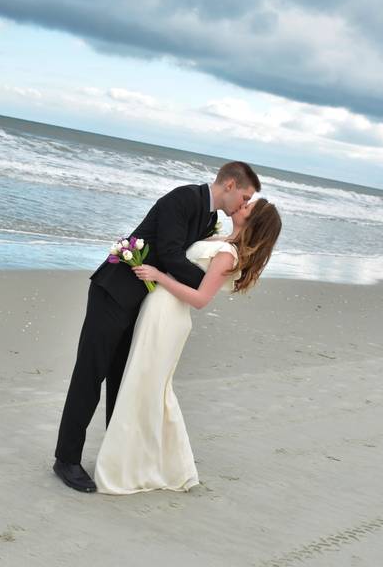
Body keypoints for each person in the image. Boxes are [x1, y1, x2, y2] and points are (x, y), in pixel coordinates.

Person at [54, 161, 261, 492]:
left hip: (142, 302)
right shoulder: (184, 199)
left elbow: (191, 254)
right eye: (246, 196)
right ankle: (66, 460)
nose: (244, 204)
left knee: (122, 380)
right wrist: (207, 285)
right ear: (230, 186)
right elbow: (170, 255)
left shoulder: (209, 218)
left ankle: (116, 456)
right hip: (114, 291)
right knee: (90, 374)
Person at [94, 197, 282, 494]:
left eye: (248, 207)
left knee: (147, 386)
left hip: (169, 316)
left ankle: (140, 466)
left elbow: (200, 299)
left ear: (253, 221)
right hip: (158, 309)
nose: (241, 205)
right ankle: (157, 463)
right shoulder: (220, 239)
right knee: (147, 385)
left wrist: (157, 276)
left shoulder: (228, 254)